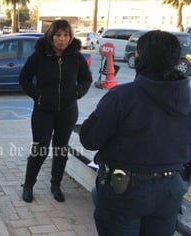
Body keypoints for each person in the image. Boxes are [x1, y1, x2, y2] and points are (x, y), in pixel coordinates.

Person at [79, 30, 191, 236]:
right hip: (170, 190)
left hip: (125, 193)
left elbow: (89, 139)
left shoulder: (122, 97)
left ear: (140, 57)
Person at [19, 19, 92, 203]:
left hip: (67, 111)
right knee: (40, 149)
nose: (62, 39)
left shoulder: (76, 57)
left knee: (61, 150)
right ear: (51, 36)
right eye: (58, 35)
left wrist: (77, 92)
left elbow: (87, 79)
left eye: (66, 35)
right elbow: (24, 79)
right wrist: (38, 97)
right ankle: (28, 185)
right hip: (43, 111)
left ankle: (56, 184)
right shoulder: (39, 56)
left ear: (70, 37)